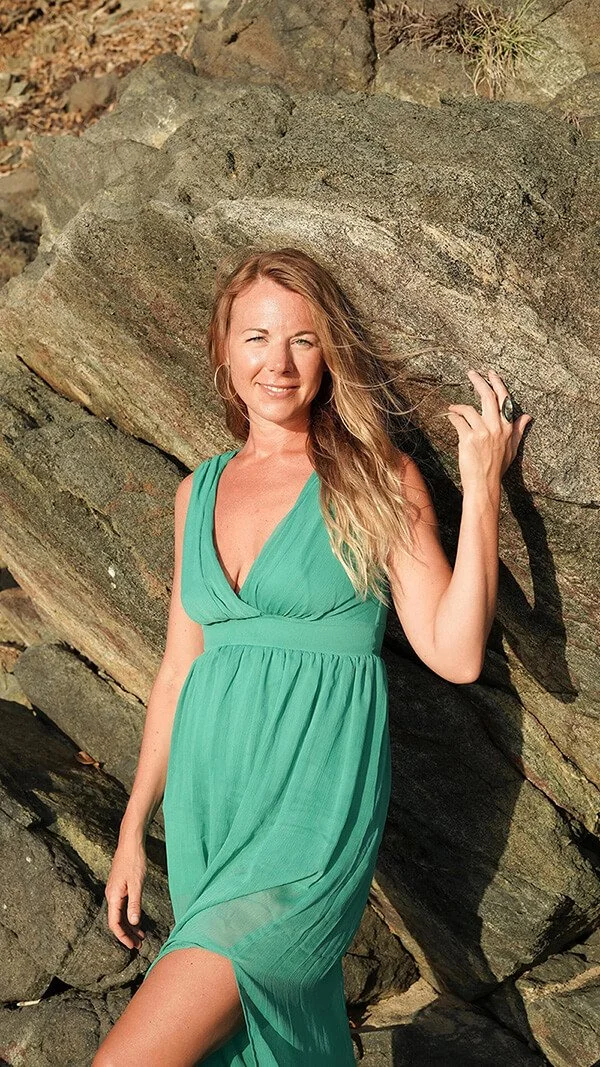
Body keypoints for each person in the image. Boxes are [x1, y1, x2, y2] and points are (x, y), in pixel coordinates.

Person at [93, 247, 532, 1067]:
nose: (278, 362)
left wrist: (483, 491)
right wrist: (131, 828)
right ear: (224, 349)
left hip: (308, 825)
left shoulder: (373, 479)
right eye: (257, 337)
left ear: (329, 354)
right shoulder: (198, 490)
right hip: (209, 816)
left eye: (303, 339)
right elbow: (177, 670)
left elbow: (455, 648)